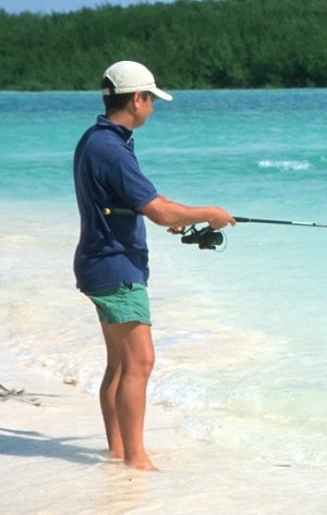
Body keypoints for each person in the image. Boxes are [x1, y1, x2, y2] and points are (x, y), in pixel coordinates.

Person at [73, 61, 236, 471]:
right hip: (115, 268)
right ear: (137, 99)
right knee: (140, 362)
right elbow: (160, 210)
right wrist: (209, 213)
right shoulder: (112, 149)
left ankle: (117, 449)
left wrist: (164, 216)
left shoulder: (96, 139)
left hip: (99, 262)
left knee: (120, 362)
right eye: (152, 100)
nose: (153, 108)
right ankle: (136, 458)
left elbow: (123, 204)